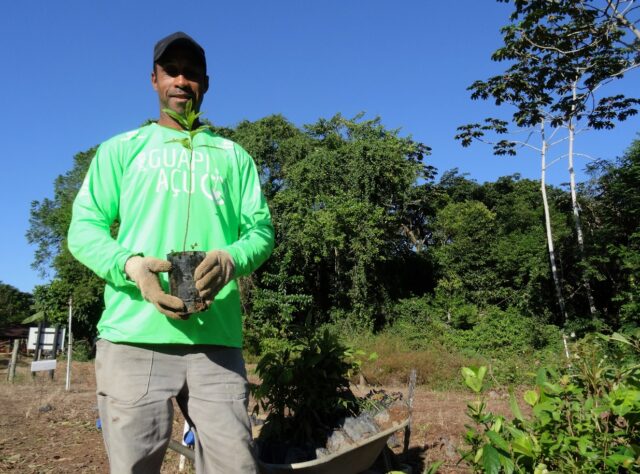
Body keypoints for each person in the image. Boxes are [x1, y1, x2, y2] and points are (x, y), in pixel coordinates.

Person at [68, 31, 274, 473]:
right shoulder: (121, 150)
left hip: (215, 341)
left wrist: (231, 259)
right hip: (132, 338)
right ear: (154, 80)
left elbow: (261, 232)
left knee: (235, 465)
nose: (182, 81)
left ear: (206, 83)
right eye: (171, 72)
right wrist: (132, 267)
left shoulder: (232, 156)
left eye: (192, 73)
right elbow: (84, 229)